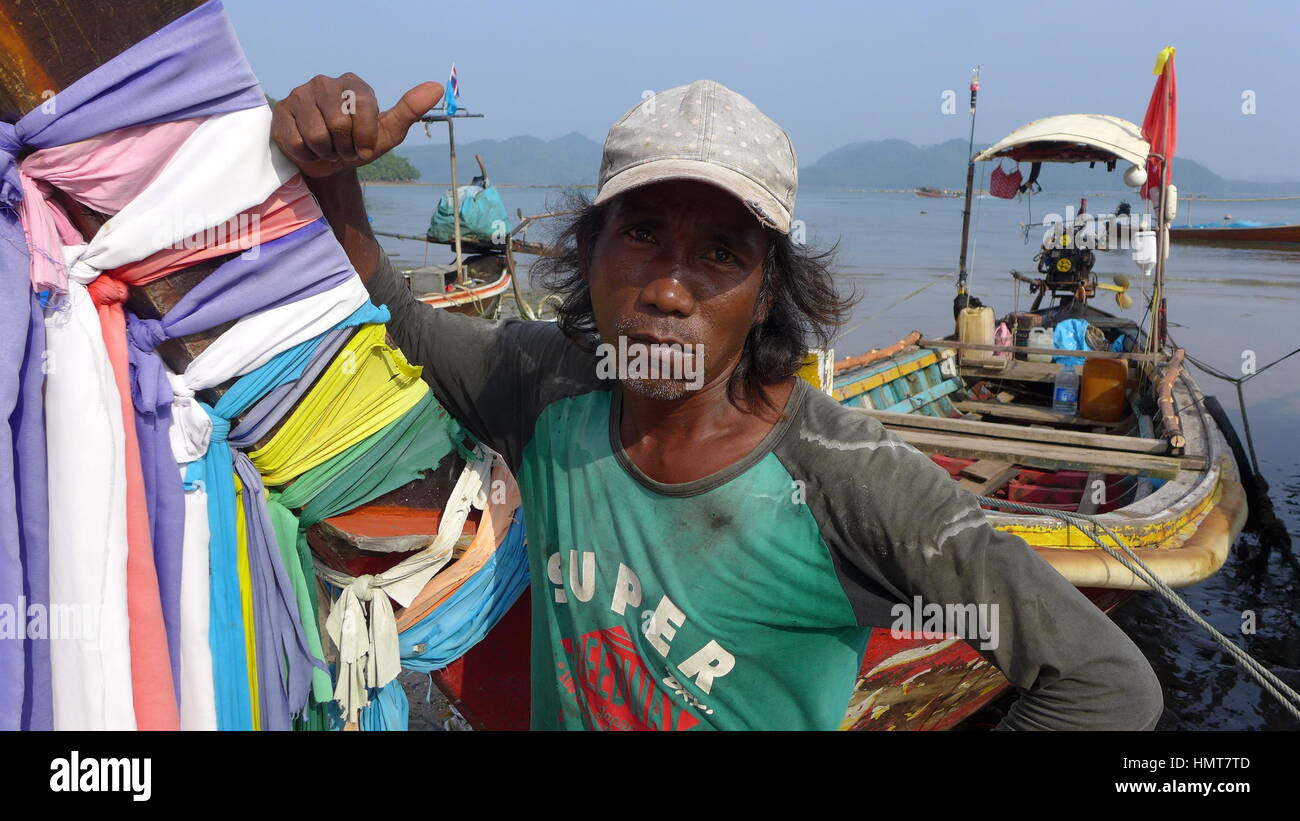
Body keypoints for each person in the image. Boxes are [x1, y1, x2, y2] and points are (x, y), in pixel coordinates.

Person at [271, 73, 1164, 731]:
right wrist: (331, 176)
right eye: (643, 235)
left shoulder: (845, 475)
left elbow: (1104, 682)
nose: (668, 289)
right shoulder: (547, 385)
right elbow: (395, 316)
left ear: (767, 291)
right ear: (589, 254)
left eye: (721, 255)